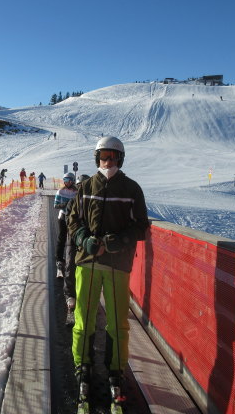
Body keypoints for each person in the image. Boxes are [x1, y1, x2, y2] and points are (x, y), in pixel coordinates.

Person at [68, 136, 148, 405]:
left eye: (113, 156)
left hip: (116, 266)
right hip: (88, 263)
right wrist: (82, 239)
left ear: (120, 159)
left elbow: (141, 227)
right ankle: (83, 365)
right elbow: (73, 219)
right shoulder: (86, 186)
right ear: (97, 158)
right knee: (83, 319)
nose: (108, 161)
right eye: (104, 156)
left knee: (117, 322)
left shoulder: (131, 189)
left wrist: (118, 241)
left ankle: (115, 370)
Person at [63, 174, 90, 327]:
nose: (81, 189)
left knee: (85, 272)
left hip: (86, 244)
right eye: (79, 186)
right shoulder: (72, 203)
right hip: (73, 241)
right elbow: (69, 221)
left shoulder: (93, 204)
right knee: (70, 267)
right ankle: (70, 300)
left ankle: (83, 302)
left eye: (84, 186)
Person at [54, 172, 77, 279]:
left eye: (69, 180)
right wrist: (66, 205)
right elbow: (56, 205)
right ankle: (59, 259)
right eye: (65, 181)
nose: (67, 183)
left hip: (73, 218)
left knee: (73, 238)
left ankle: (73, 258)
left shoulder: (76, 192)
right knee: (62, 237)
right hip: (63, 217)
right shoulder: (60, 191)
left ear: (73, 181)